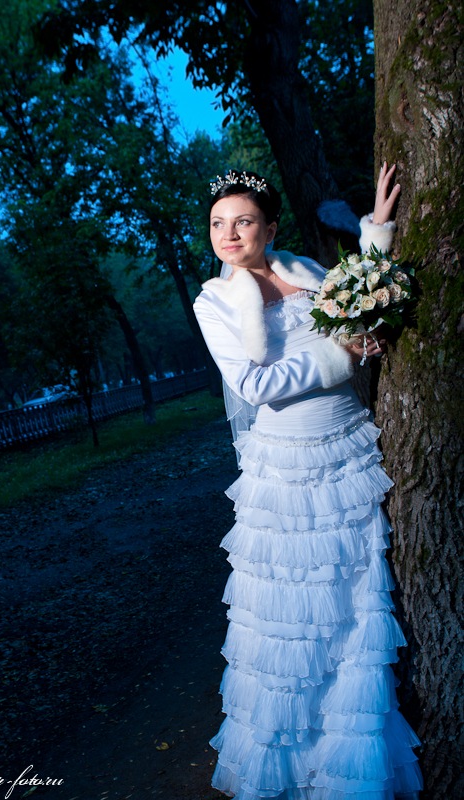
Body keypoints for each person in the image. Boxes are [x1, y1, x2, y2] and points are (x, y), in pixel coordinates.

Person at [193, 165, 423, 800]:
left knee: (351, 604)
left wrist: (376, 231)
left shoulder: (304, 271)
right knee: (290, 619)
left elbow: (358, 301)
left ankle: (347, 767)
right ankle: (292, 770)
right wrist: (340, 355)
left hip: (347, 453)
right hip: (285, 472)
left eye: (243, 221)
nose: (229, 234)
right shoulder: (215, 302)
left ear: (270, 228)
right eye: (217, 224)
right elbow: (253, 384)